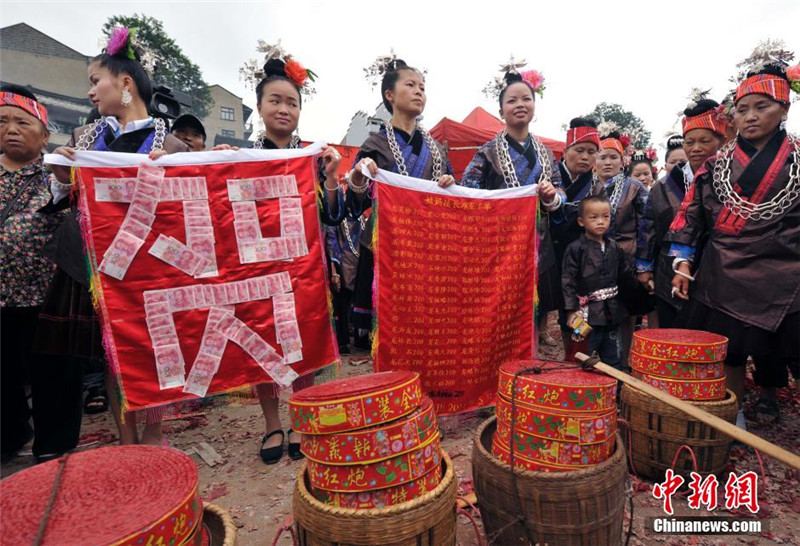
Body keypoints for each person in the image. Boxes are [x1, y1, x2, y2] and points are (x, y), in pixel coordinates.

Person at [42, 26, 188, 448]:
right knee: (113, 350)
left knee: (155, 347)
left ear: (125, 83)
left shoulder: (174, 146)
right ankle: (126, 438)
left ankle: (155, 434)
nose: (90, 92)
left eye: (94, 81)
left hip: (154, 261)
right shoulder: (81, 141)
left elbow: (196, 203)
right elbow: (62, 201)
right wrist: (61, 177)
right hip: (95, 262)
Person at [668, 46, 800, 427]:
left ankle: (772, 396)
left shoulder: (797, 161)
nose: (751, 116)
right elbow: (690, 214)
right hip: (725, 271)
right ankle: (734, 413)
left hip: (786, 271)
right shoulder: (715, 166)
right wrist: (682, 260)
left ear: (785, 110)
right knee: (730, 353)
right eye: (743, 109)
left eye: (762, 106)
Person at [237, 46, 343, 464]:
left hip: (305, 268)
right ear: (260, 107)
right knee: (261, 344)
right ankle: (271, 423)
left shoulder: (313, 158)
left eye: (292, 103)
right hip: (256, 266)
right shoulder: (242, 158)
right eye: (275, 101)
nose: (284, 109)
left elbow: (333, 218)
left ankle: (300, 418)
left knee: (304, 345)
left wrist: (332, 177)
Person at [344, 56, 456, 342]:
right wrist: (358, 178)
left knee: (428, 324)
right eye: (411, 85)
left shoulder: (437, 149)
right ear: (390, 95)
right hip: (387, 242)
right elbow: (356, 204)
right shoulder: (374, 144)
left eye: (422, 86)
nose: (420, 91)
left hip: (429, 242)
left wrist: (449, 183)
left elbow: (454, 192)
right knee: (389, 327)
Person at [461, 64, 564, 349]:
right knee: (501, 312)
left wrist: (551, 196)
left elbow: (561, 192)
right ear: (501, 111)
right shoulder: (487, 151)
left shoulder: (545, 152)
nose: (520, 105)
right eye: (512, 100)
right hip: (500, 245)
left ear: (535, 106)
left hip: (539, 241)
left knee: (537, 307)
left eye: (526, 99)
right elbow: (468, 190)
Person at [0, 85, 67, 462]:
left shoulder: (55, 176)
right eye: (3, 121)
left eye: (22, 122)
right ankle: (10, 438)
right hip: (2, 296)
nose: (11, 129)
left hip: (45, 292)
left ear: (44, 135)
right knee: (5, 377)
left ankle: (53, 446)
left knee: (50, 374)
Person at [637, 100, 728, 328]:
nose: (696, 148)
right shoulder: (664, 186)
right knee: (673, 331)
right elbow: (648, 226)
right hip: (669, 268)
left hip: (718, 268)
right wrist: (645, 267)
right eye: (690, 142)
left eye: (705, 141)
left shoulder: (730, 178)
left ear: (722, 141)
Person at [595, 127, 649, 368]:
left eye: (613, 157)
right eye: (602, 157)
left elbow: (647, 227)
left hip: (627, 260)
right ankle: (604, 365)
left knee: (626, 316)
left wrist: (644, 263)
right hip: (597, 261)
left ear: (623, 160)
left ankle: (626, 364)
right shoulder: (593, 188)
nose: (607, 162)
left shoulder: (635, 187)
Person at [562, 195, 636, 370]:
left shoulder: (614, 247)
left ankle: (615, 391)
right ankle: (579, 392)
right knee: (582, 356)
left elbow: (625, 275)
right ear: (581, 221)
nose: (600, 222)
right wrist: (571, 311)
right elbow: (567, 281)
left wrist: (640, 288)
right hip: (586, 314)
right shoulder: (575, 249)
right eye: (594, 218)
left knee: (613, 356)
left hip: (612, 312)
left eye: (606, 216)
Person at [550, 117, 602, 345]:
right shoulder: (549, 176)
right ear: (565, 149)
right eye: (579, 150)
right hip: (548, 251)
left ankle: (574, 353)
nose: (585, 157)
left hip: (580, 255)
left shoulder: (596, 185)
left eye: (592, 152)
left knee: (577, 307)